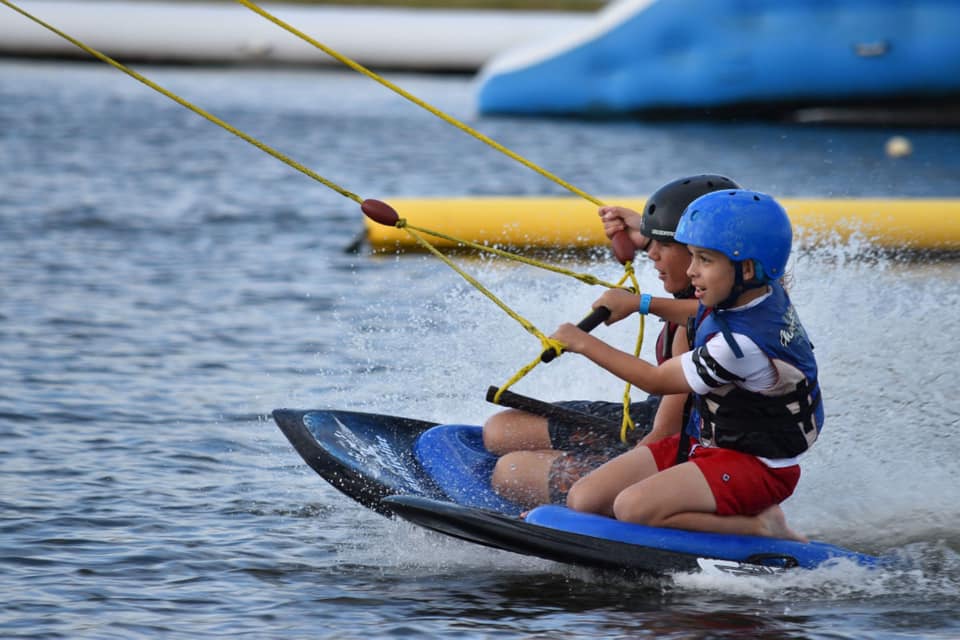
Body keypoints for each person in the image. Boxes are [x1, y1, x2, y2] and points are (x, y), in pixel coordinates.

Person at [556, 189, 822, 541]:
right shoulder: (763, 290)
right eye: (692, 257)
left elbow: (654, 380)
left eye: (705, 260)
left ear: (744, 268)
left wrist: (582, 342)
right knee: (584, 498)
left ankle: (761, 525)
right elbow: (700, 312)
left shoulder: (737, 347)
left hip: (758, 468)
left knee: (632, 508)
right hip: (707, 444)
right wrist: (640, 303)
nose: (692, 271)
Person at [483, 175, 741, 508]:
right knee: (500, 430)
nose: (651, 254)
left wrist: (629, 310)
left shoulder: (706, 326)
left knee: (510, 472)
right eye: (650, 243)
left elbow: (664, 433)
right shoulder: (736, 297)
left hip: (677, 449)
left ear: (703, 253)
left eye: (664, 245)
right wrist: (642, 227)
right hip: (650, 420)